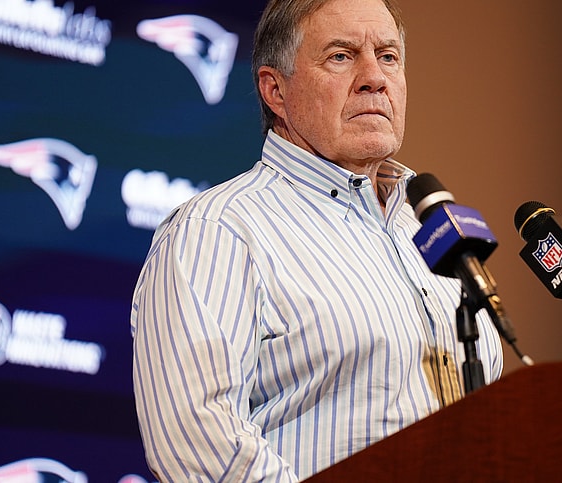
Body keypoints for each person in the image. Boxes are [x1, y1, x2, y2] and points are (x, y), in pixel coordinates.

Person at [130, 0, 503, 480]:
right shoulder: (220, 230)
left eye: (388, 56)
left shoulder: (429, 233)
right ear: (276, 91)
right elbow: (197, 438)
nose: (374, 77)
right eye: (342, 56)